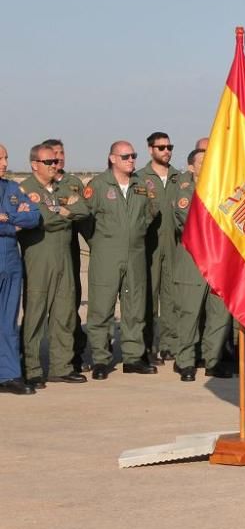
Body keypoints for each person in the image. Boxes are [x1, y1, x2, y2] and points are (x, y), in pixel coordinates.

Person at [82, 141, 159, 378]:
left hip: (135, 253)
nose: (131, 160)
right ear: (112, 158)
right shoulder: (98, 185)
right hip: (107, 254)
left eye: (133, 156)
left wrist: (134, 234)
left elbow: (150, 214)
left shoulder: (141, 186)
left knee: (135, 306)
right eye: (125, 156)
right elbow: (85, 217)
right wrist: (100, 241)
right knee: (101, 307)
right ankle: (100, 359)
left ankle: (133, 357)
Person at [18, 144, 90, 388]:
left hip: (64, 257)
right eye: (48, 162)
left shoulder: (61, 187)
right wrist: (63, 212)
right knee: (36, 313)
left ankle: (61, 366)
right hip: (39, 256)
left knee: (65, 313)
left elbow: (83, 209)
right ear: (34, 164)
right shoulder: (26, 189)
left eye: (56, 162)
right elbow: (42, 219)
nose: (54, 166)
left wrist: (59, 211)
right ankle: (32, 368)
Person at [171, 148, 236, 380]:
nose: (207, 164)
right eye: (202, 161)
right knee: (189, 313)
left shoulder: (222, 188)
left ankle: (213, 359)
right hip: (193, 259)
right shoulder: (184, 191)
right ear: (192, 167)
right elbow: (191, 222)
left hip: (218, 259)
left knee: (219, 313)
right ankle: (185, 361)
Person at [42, 138, 90, 372]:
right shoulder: (41, 185)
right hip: (46, 251)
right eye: (54, 154)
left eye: (62, 152)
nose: (59, 157)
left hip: (70, 251)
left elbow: (83, 215)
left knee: (70, 306)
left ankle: (75, 353)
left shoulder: (73, 183)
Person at [0, 143, 41, 395]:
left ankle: (9, 374)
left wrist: (7, 218)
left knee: (8, 321)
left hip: (10, 261)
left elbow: (33, 217)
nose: (4, 163)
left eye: (5, 157)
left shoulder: (12, 188)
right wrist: (13, 221)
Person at [137, 131, 181, 364]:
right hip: (150, 246)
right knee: (149, 297)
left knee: (172, 296)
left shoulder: (179, 178)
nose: (166, 151)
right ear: (151, 149)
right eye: (161, 147)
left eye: (169, 147)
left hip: (174, 246)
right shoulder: (140, 178)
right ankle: (148, 345)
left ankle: (170, 344)